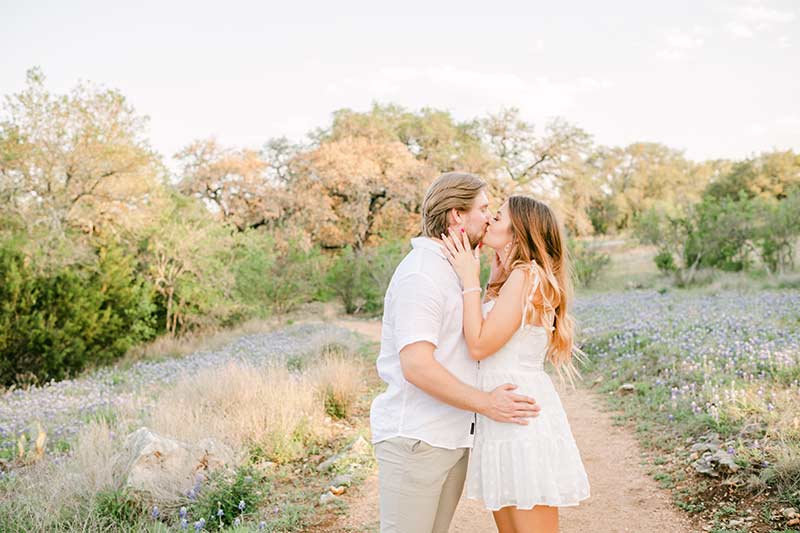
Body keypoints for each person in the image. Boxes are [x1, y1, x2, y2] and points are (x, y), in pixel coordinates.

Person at [369, 173, 542, 533]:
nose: (489, 217)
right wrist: (486, 403)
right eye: (482, 209)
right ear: (456, 217)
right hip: (417, 441)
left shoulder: (455, 270)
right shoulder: (423, 274)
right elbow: (416, 365)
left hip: (450, 439)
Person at [441, 195, 590, 533]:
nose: (490, 219)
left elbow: (478, 345)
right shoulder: (513, 278)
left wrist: (469, 278)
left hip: (519, 415)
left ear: (519, 231)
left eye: (499, 216)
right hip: (502, 412)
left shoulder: (527, 276)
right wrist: (490, 283)